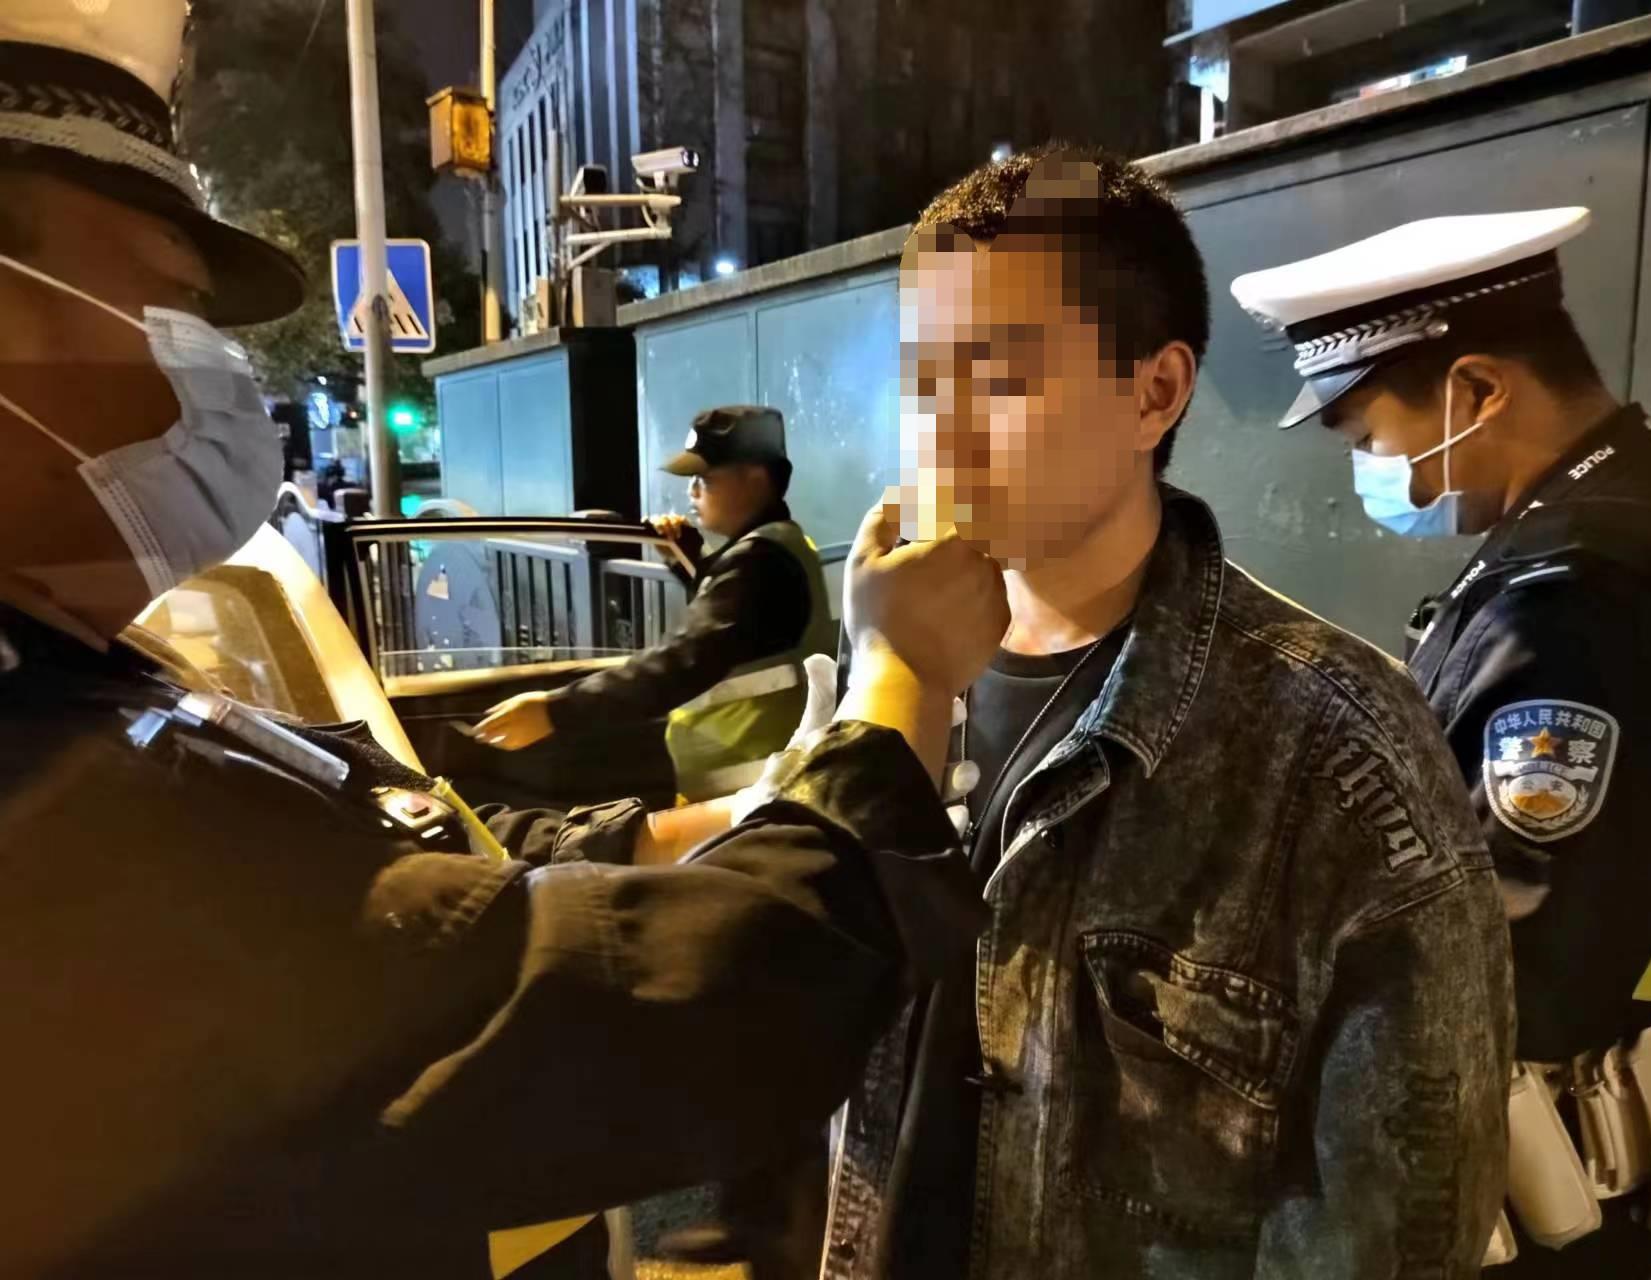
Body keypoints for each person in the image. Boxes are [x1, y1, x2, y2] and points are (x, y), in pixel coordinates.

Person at [0, 6, 1010, 1275]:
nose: (203, 369)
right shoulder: (62, 804)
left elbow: (420, 859)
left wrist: (771, 759)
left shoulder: (78, 693)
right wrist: (894, 689)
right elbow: (672, 1003)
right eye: (162, 304)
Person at [818, 144, 1514, 1280]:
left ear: (1154, 391)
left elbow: (1398, 1231)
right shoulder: (889, 666)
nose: (942, 426)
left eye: (997, 372)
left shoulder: (1336, 750)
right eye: (922, 376)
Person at [1232, 207, 1651, 1276]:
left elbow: (1508, 955)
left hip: (1525, 1186)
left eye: (1367, 437)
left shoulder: (1580, 600)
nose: (1372, 469)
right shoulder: (1635, 524)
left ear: (1478, 390)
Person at [474, 405, 836, 803]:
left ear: (755, 478)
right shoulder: (779, 545)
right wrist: (688, 558)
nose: (691, 491)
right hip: (756, 781)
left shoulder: (760, 561)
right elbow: (743, 635)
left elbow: (681, 661)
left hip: (748, 791)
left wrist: (557, 710)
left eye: (704, 478)